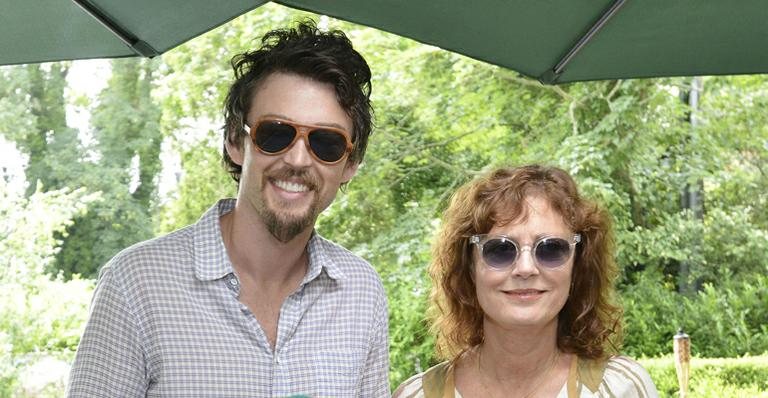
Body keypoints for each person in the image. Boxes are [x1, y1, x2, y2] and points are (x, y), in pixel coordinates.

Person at [67, 20, 389, 397]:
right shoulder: (136, 284)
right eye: (277, 133)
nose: (299, 159)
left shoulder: (362, 292)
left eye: (327, 142)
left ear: (349, 164)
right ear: (236, 141)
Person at [394, 165, 658, 398]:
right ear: (470, 267)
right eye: (500, 249)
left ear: (577, 267)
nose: (526, 268)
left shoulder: (622, 389)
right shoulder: (416, 395)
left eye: (551, 248)